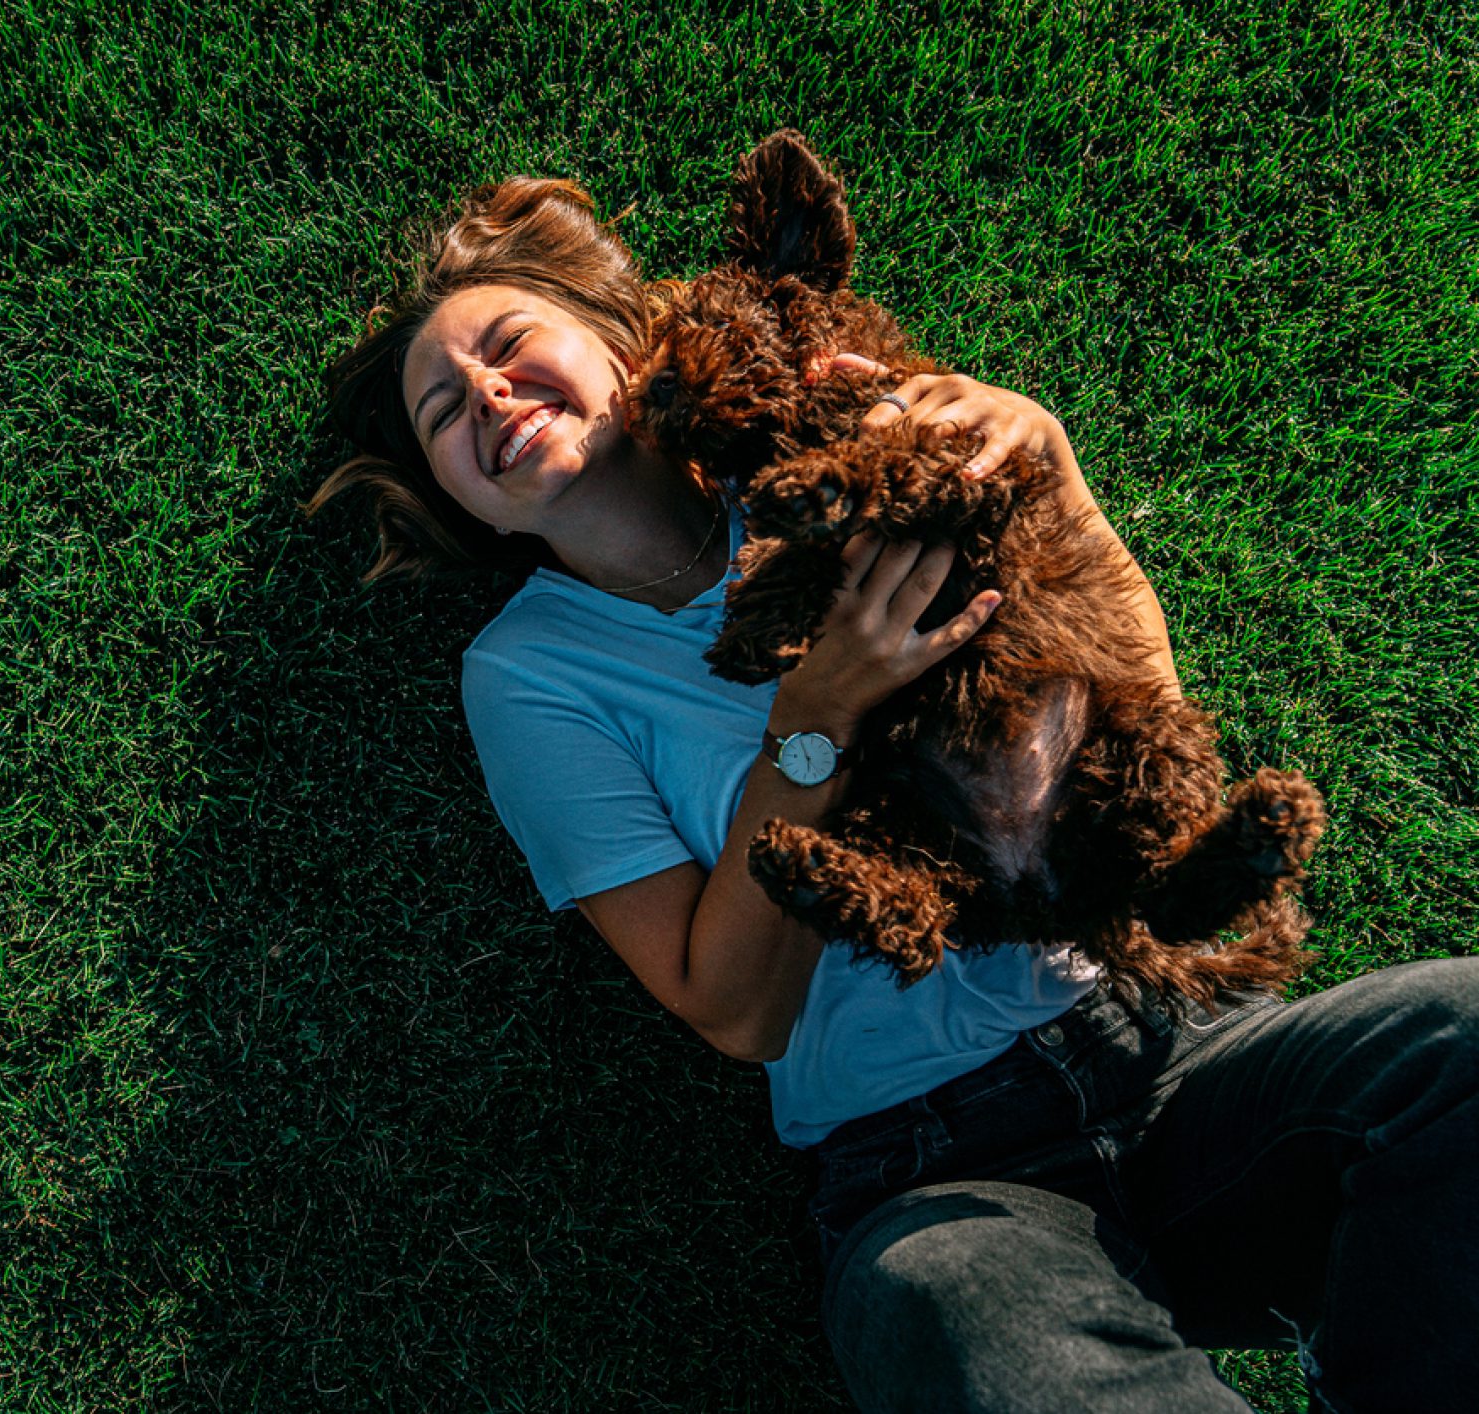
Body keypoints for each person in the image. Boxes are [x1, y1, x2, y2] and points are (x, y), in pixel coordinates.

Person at [307, 173, 1478, 1412]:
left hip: (1176, 1045)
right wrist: (811, 722)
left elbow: (1129, 708)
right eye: (445, 412)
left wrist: (1057, 473)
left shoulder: (830, 445)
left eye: (507, 345)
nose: (489, 396)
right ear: (458, 501)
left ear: (619, 343)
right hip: (933, 1168)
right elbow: (732, 1012)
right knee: (960, 1321)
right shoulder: (528, 676)